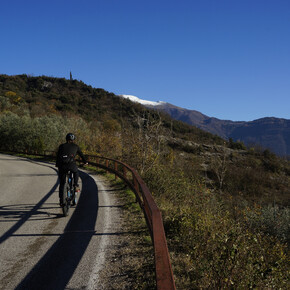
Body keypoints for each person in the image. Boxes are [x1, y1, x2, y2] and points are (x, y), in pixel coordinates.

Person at [56, 133, 87, 206]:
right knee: (76, 171)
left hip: (62, 166)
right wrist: (85, 162)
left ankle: (61, 200)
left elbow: (58, 156)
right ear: (73, 140)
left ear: (66, 139)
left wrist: (57, 165)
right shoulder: (76, 146)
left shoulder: (61, 146)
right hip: (71, 165)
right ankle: (76, 185)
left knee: (62, 183)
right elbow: (81, 155)